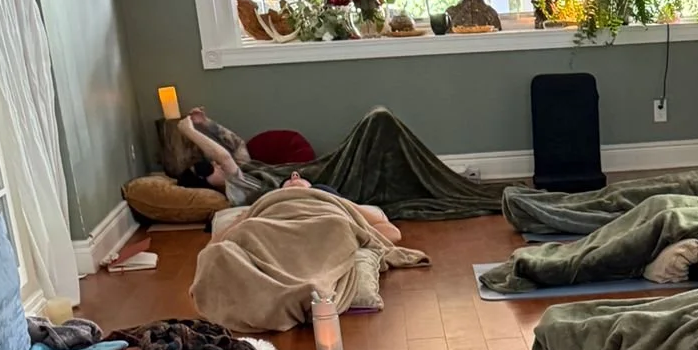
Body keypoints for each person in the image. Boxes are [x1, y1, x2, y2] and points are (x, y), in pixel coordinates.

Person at [170, 105, 505, 223]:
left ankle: (438, 176)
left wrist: (205, 123)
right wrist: (187, 130)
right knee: (379, 122)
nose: (216, 164)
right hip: (330, 180)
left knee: (378, 121)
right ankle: (440, 179)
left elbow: (236, 146)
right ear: (208, 179)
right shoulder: (238, 191)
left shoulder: (244, 172)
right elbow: (225, 157)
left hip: (321, 168)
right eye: (209, 168)